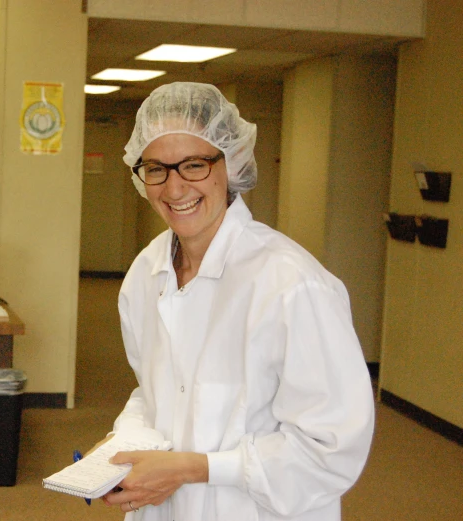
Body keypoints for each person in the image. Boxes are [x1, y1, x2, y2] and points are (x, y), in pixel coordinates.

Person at [92, 82, 375, 520]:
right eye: (156, 168)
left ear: (231, 163)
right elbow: (152, 393)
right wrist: (122, 442)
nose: (174, 187)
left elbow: (331, 451)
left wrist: (194, 469)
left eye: (193, 165)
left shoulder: (291, 284)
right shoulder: (145, 275)